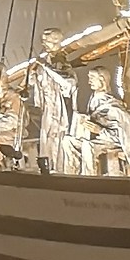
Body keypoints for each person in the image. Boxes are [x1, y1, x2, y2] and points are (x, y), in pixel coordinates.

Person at [28, 39, 82, 174]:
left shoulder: (62, 64)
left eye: (49, 41)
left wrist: (46, 66)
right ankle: (47, 166)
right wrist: (32, 74)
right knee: (46, 136)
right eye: (44, 41)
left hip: (60, 105)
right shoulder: (41, 64)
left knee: (59, 135)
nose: (45, 44)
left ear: (57, 42)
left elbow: (68, 82)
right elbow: (34, 83)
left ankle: (60, 169)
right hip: (47, 106)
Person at [86, 67, 130, 177]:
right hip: (98, 138)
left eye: (92, 78)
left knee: (86, 146)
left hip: (110, 140)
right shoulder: (94, 99)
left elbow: (122, 135)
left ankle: (88, 178)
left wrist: (100, 131)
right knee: (67, 142)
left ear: (102, 80)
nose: (89, 82)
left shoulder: (113, 107)